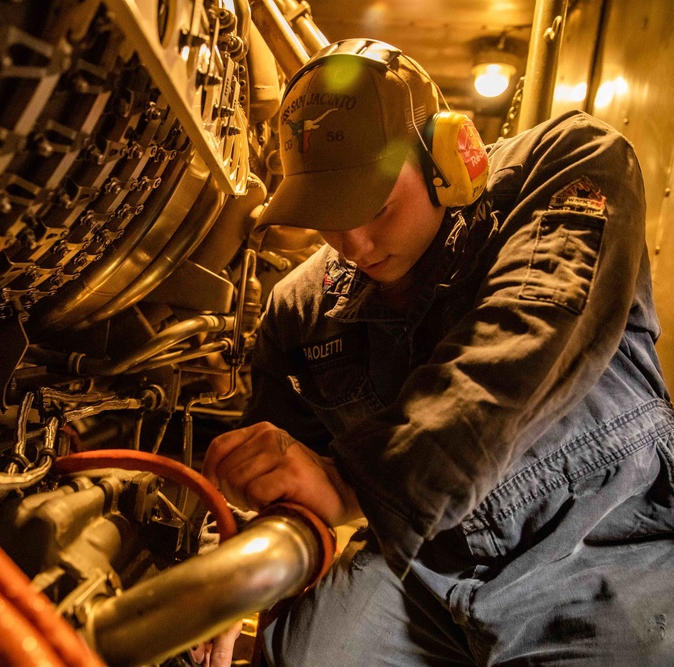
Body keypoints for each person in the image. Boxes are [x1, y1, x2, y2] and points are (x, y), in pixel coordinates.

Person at [201, 38, 674, 665]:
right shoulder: (299, 308)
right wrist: (237, 574)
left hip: (608, 539)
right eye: (326, 214)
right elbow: (287, 477)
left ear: (449, 153)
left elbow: (528, 334)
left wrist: (353, 481)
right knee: (298, 653)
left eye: (376, 206)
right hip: (423, 563)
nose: (354, 242)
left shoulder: (568, 164)